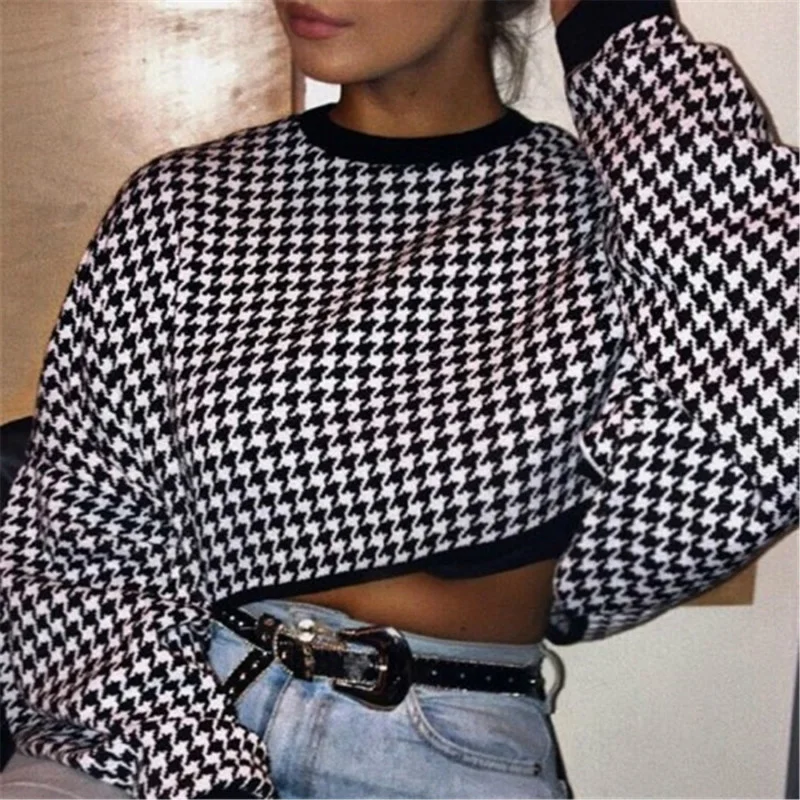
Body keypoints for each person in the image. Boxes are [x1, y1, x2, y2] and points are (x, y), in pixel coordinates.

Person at [1, 0, 797, 797]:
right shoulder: (183, 209)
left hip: (446, 750)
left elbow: (774, 413)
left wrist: (612, 28)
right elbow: (76, 546)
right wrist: (200, 766)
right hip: (157, 725)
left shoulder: (608, 219)